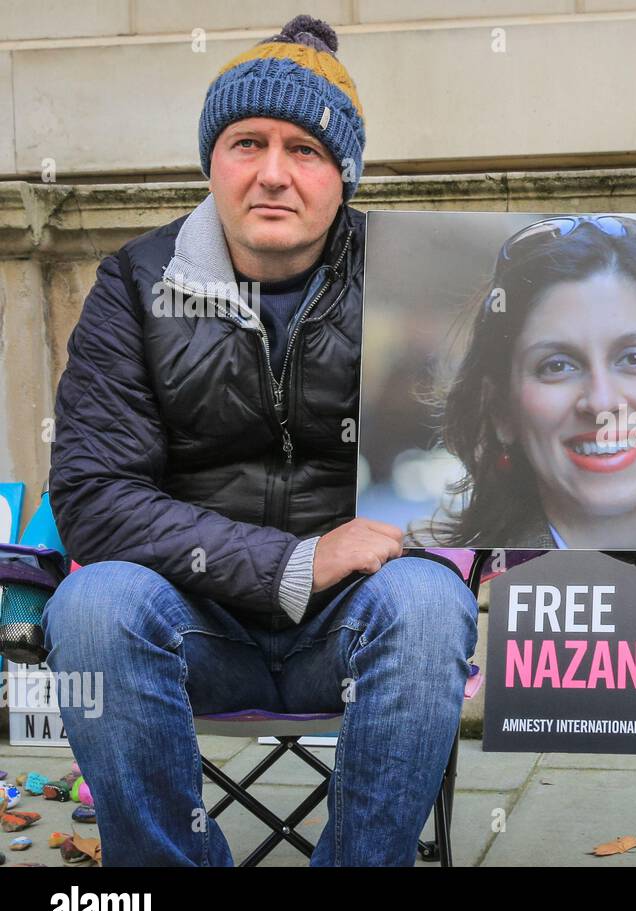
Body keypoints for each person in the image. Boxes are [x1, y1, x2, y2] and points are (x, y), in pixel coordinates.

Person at [42, 15, 478, 866]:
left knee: (432, 605)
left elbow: (515, 464)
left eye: (306, 151)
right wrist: (290, 564)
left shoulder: (418, 279)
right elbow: (94, 498)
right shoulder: (137, 283)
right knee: (91, 607)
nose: (273, 174)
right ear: (212, 159)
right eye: (248, 142)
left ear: (343, 176)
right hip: (191, 622)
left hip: (357, 625)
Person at [413, 215, 636, 549]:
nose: (601, 402)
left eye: (635, 358)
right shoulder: (441, 596)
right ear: (502, 409)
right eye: (557, 365)